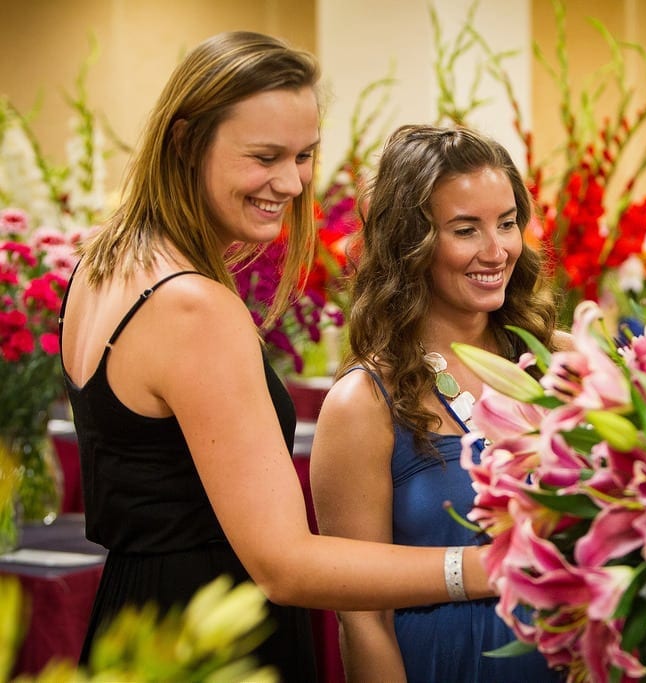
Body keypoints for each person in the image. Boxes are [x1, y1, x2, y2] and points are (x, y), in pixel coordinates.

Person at [58, 33, 494, 681]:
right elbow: (285, 565)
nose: (291, 183)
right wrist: (493, 566)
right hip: (210, 640)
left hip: (140, 622)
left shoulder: (106, 261)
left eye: (305, 155)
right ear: (184, 142)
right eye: (265, 156)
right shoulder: (194, 305)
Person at [310, 124, 569, 682]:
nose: (495, 250)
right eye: (465, 230)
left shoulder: (563, 362)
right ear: (412, 244)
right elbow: (362, 619)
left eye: (506, 224)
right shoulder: (363, 404)